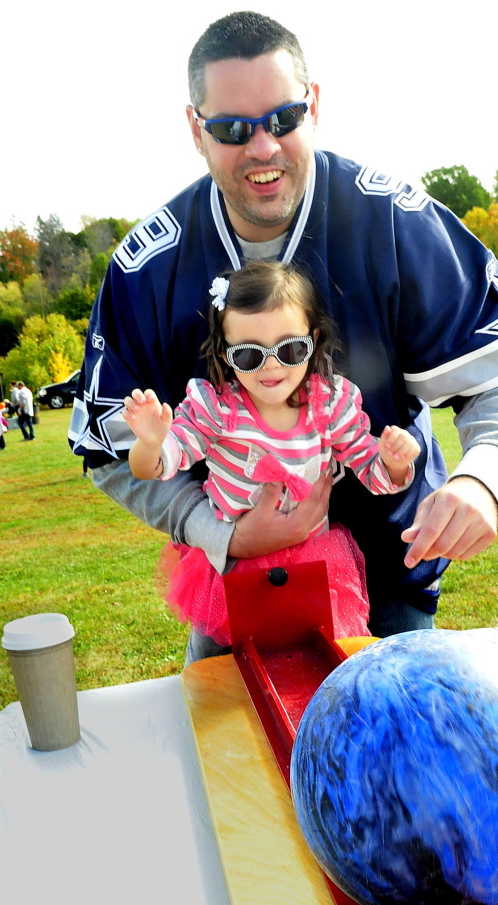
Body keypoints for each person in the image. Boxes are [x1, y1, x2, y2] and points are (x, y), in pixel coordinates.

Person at [69, 11, 498, 663]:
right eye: (233, 129)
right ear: (195, 130)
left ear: (314, 106)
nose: (262, 147)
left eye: (283, 118)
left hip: (388, 573)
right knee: (225, 754)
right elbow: (108, 449)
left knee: (393, 755)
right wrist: (224, 532)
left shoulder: (392, 226)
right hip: (236, 580)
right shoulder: (151, 268)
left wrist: (483, 480)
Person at [124, 261, 420, 644]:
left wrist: (394, 464)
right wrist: (150, 443)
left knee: (316, 666)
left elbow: (373, 473)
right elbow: (157, 465)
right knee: (226, 681)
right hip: (228, 573)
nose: (271, 366)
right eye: (250, 355)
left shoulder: (329, 404)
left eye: (291, 349)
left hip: (313, 570)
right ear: (225, 353)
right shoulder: (218, 408)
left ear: (313, 338)